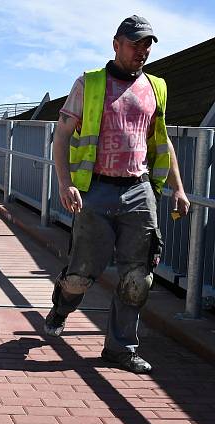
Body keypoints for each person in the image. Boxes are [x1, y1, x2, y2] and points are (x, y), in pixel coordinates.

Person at [44, 15, 190, 374]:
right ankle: (62, 306)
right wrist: (66, 184)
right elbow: (61, 137)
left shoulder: (156, 87)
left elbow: (163, 140)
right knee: (81, 275)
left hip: (139, 192)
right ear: (116, 43)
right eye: (135, 43)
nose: (142, 50)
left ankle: (120, 348)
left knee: (138, 277)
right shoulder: (90, 83)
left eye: (147, 45)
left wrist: (179, 188)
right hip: (95, 190)